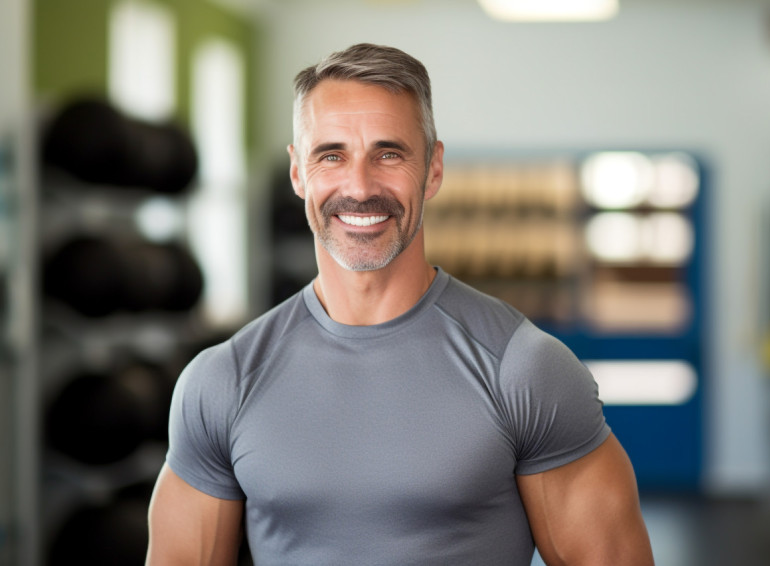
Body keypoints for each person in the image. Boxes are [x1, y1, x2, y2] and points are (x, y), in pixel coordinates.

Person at [146, 43, 654, 566]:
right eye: (331, 155)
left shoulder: (524, 370)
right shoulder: (222, 382)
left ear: (433, 169)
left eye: (389, 154)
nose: (360, 187)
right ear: (298, 173)